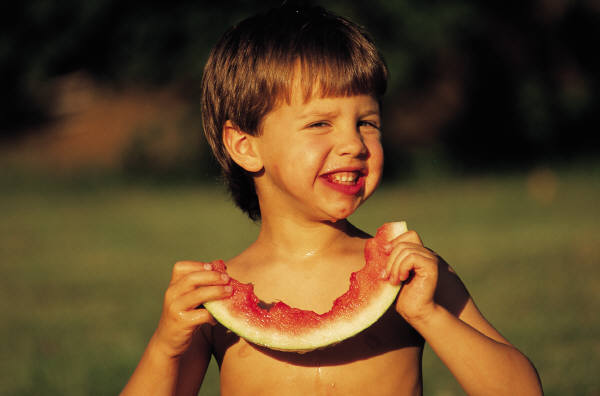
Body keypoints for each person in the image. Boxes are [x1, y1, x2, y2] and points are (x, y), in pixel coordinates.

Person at [121, 5, 542, 395]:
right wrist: (165, 346)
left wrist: (429, 314)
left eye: (367, 123)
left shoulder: (410, 271)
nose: (353, 144)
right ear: (245, 146)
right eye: (320, 123)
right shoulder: (215, 298)